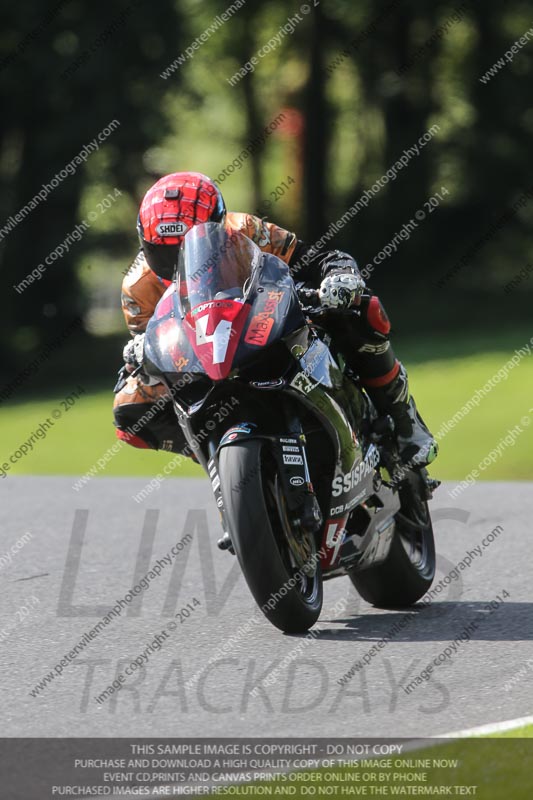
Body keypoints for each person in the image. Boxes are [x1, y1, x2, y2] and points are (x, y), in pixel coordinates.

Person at [114, 171, 437, 466]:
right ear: (144, 243)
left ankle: (404, 419)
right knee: (129, 407)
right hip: (204, 366)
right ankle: (224, 461)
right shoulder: (137, 288)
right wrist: (137, 357)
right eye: (165, 251)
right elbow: (151, 352)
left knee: (359, 310)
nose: (180, 261)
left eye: (188, 246)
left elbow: (316, 260)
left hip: (266, 325)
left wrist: (340, 276)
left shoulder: (246, 232)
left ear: (219, 225)